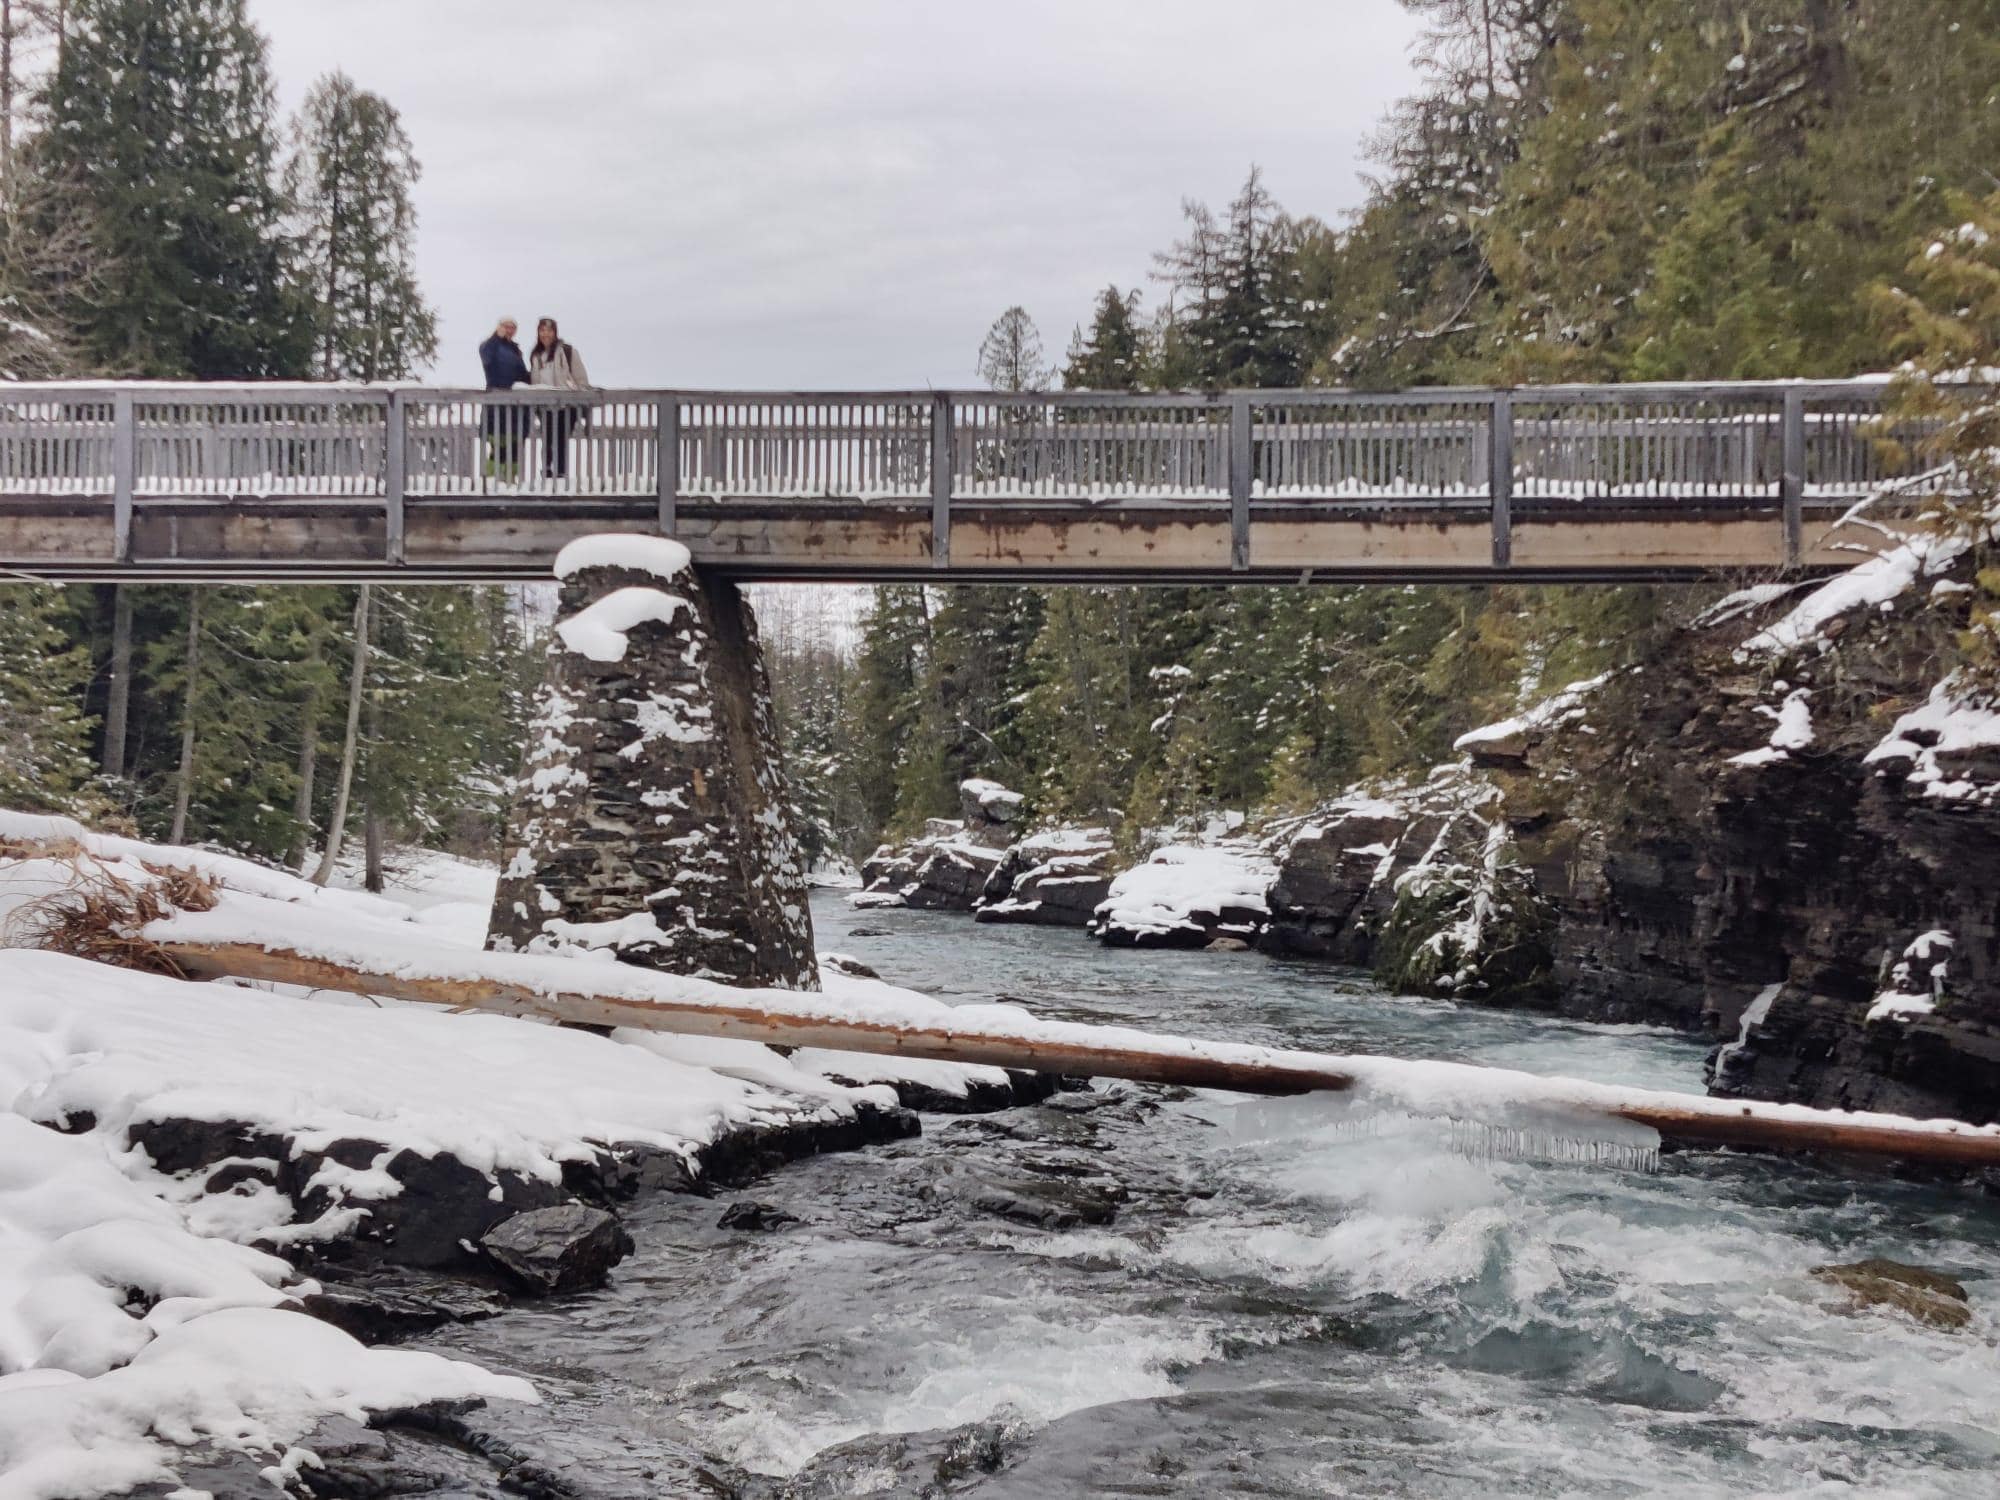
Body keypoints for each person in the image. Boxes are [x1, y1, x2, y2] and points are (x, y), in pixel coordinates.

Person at [529, 317, 592, 481]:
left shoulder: (567, 351)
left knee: (561, 439)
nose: (546, 334)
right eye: (542, 330)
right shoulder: (536, 355)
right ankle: (546, 471)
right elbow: (534, 382)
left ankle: (561, 473)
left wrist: (580, 396)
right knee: (547, 439)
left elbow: (581, 378)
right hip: (545, 406)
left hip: (567, 405)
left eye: (549, 330)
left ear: (555, 333)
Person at [478, 317, 530, 482]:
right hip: (496, 407)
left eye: (512, 327)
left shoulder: (515, 350)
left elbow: (523, 376)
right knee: (498, 447)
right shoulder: (489, 345)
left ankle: (510, 481)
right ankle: (492, 481)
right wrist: (496, 337)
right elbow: (486, 357)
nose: (509, 330)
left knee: (514, 448)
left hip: (516, 408)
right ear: (498, 327)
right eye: (505, 326)